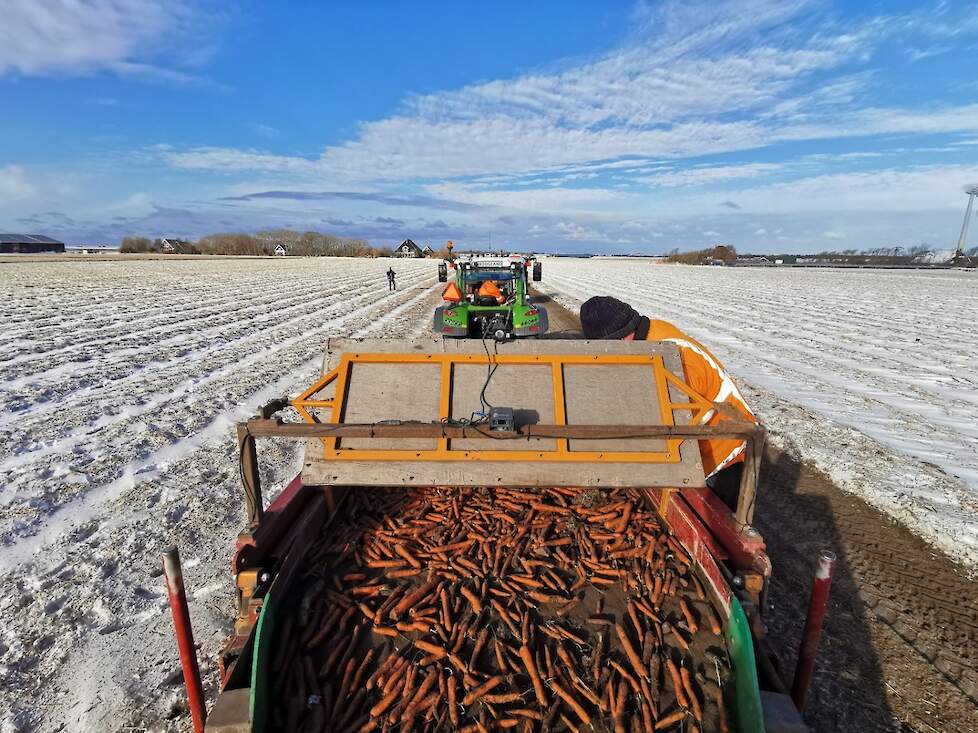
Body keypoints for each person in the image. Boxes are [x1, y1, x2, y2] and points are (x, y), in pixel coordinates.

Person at [579, 295, 756, 509]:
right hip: (698, 451)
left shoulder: (676, 359)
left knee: (717, 521)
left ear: (622, 337)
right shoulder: (649, 337)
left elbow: (672, 425)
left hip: (726, 453)